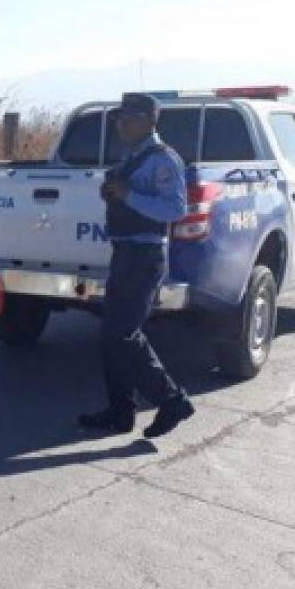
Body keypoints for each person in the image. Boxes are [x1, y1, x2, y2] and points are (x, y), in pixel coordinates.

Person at [78, 92, 196, 439]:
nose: (121, 124)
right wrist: (114, 193)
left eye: (129, 118)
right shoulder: (132, 157)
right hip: (125, 252)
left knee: (123, 333)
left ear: (149, 120)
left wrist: (127, 195)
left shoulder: (164, 159)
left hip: (145, 256)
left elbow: (175, 209)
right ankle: (120, 411)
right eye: (119, 118)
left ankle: (172, 399)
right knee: (111, 335)